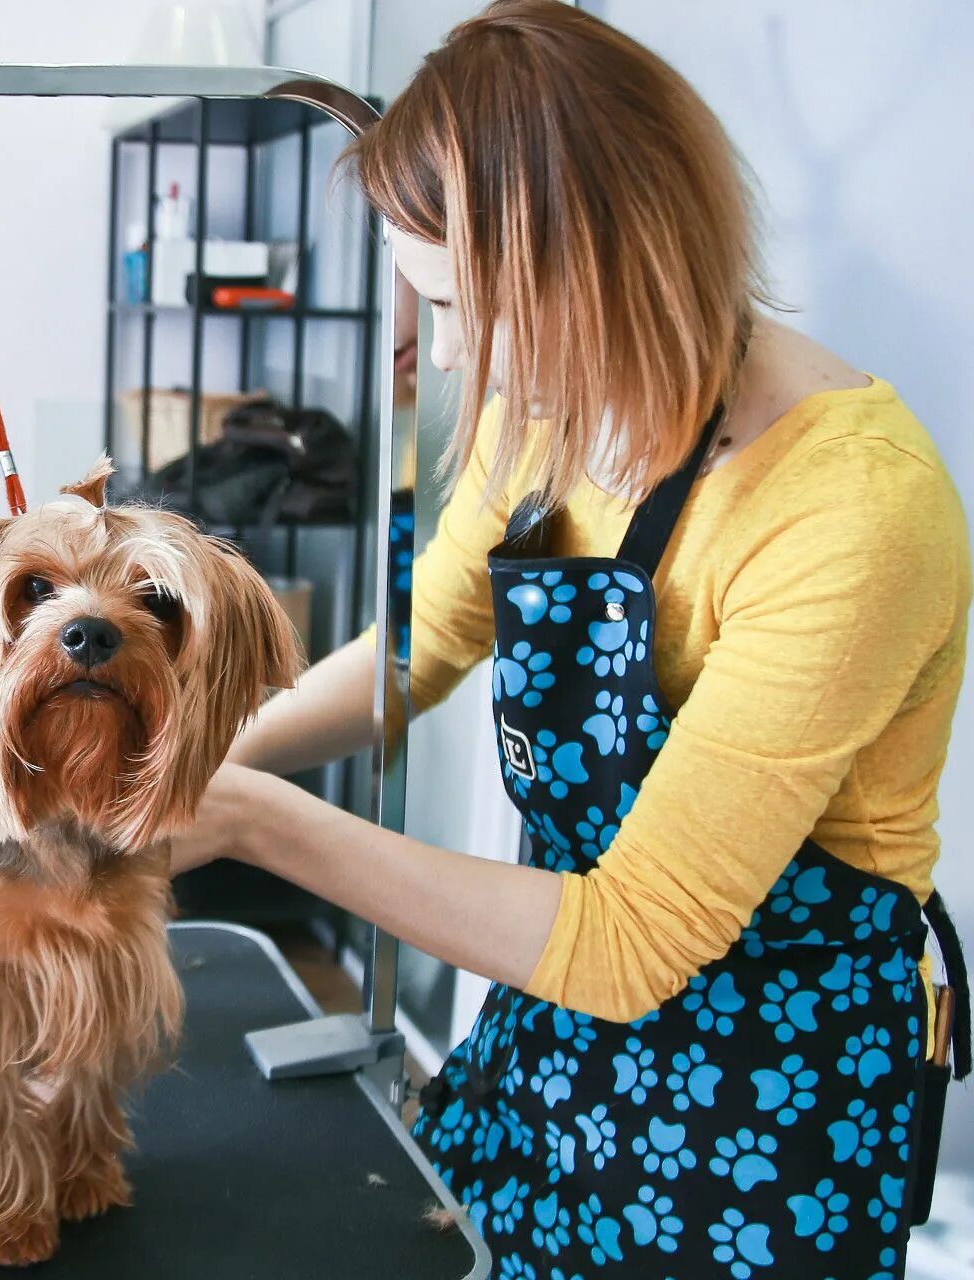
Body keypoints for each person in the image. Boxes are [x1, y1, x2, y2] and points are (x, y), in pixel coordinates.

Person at [171, 3, 968, 1274]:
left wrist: (253, 817)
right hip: (549, 1034)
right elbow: (415, 650)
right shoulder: (549, 418)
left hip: (763, 1108)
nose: (460, 363)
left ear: (596, 258)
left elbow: (636, 937)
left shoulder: (853, 512)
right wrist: (175, 766)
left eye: (465, 303)